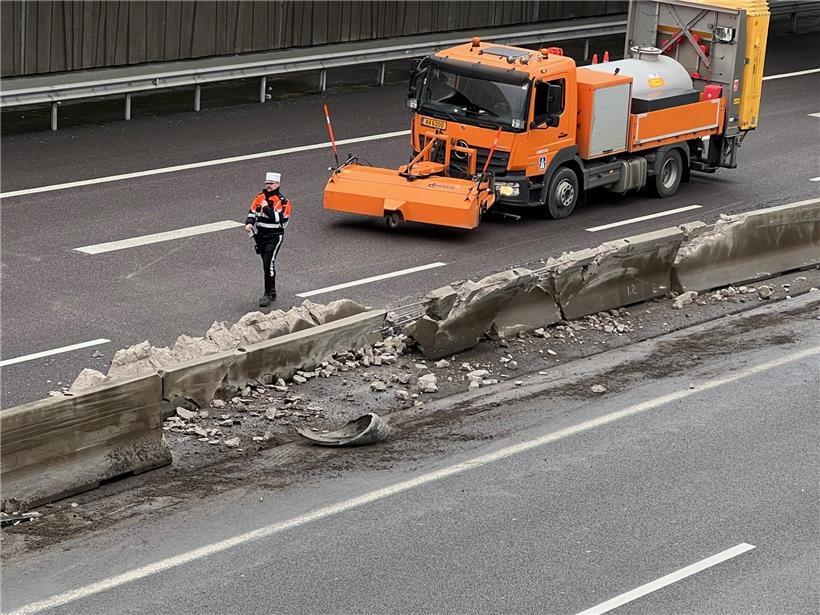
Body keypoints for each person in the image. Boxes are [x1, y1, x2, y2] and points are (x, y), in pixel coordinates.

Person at [245, 172, 291, 307]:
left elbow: (280, 220)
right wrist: (249, 223)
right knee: (266, 264)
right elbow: (252, 212)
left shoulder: (284, 202)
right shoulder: (259, 197)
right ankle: (272, 291)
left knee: (268, 264)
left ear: (278, 184)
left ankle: (267, 294)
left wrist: (266, 207)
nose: (268, 186)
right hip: (260, 236)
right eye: (267, 183)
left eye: (271, 183)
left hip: (274, 237)